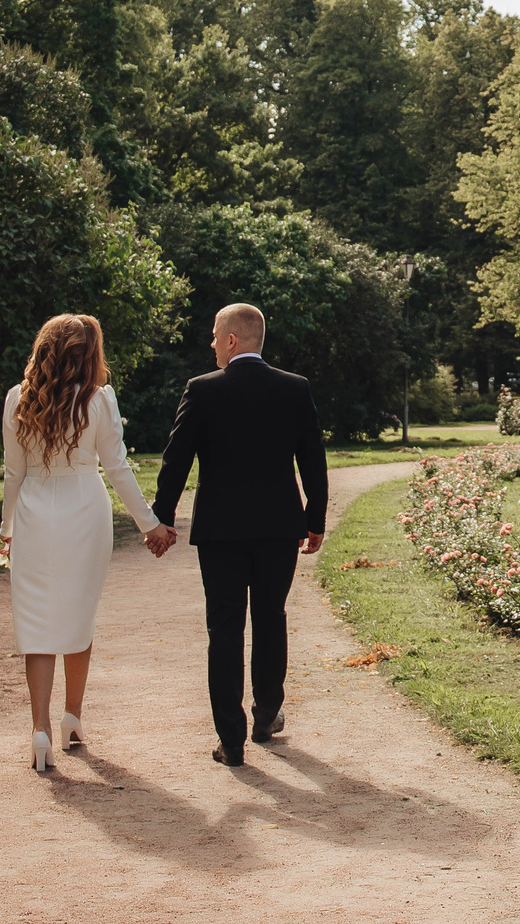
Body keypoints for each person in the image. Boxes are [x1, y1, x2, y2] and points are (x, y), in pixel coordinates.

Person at [0, 313, 176, 774]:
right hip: (83, 511)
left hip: (34, 513)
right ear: (91, 354)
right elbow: (117, 468)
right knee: (79, 614)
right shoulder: (100, 400)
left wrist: (7, 531)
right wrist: (150, 524)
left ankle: (39, 731)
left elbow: (13, 474)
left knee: (36, 624)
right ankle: (72, 717)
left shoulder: (18, 398)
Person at [153, 302, 328, 766]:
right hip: (278, 528)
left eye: (214, 336)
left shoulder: (202, 390)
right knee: (271, 617)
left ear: (231, 340)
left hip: (221, 531)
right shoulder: (294, 388)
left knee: (225, 629)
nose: (211, 344)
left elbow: (176, 460)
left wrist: (162, 517)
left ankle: (231, 741)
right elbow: (313, 459)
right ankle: (266, 716)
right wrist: (315, 519)